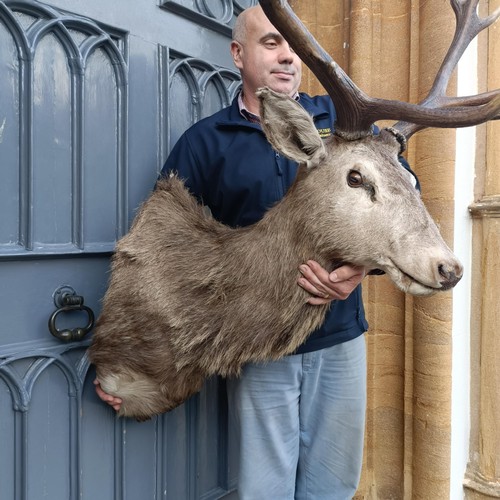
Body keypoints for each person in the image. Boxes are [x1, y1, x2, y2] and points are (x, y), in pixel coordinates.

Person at [95, 5, 416, 498]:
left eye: (294, 48)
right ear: (238, 53)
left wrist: (362, 268)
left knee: (334, 482)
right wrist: (132, 363)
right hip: (260, 347)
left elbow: (402, 198)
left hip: (340, 336)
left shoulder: (341, 123)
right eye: (271, 43)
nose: (287, 56)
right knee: (265, 485)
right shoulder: (206, 142)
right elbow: (158, 248)